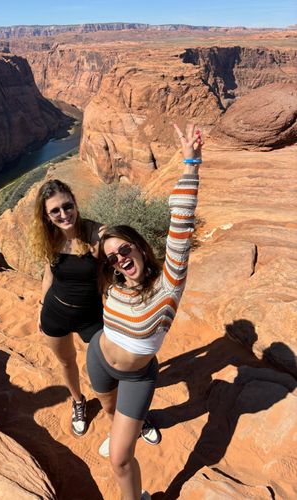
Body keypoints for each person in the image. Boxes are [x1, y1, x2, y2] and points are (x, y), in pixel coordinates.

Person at [86, 123, 202, 500]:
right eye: (113, 257)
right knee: (108, 410)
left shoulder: (167, 285)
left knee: (120, 460)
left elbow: (180, 229)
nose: (120, 258)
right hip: (97, 360)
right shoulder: (113, 284)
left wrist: (191, 164)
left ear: (137, 246)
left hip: (137, 378)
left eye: (125, 249)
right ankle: (117, 426)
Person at [30, 179, 104, 436]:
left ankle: (126, 411)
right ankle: (78, 401)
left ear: (75, 202)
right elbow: (48, 276)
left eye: (67, 206)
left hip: (91, 316)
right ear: (47, 216)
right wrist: (41, 307)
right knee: (66, 362)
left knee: (109, 366)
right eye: (55, 211)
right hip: (55, 314)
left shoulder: (95, 235)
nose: (64, 214)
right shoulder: (50, 239)